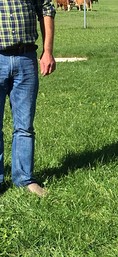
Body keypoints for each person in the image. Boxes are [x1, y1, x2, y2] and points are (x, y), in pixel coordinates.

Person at [0, 0, 56, 196]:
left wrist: (47, 51)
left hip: (26, 59)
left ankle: (24, 179)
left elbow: (46, 9)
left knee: (24, 126)